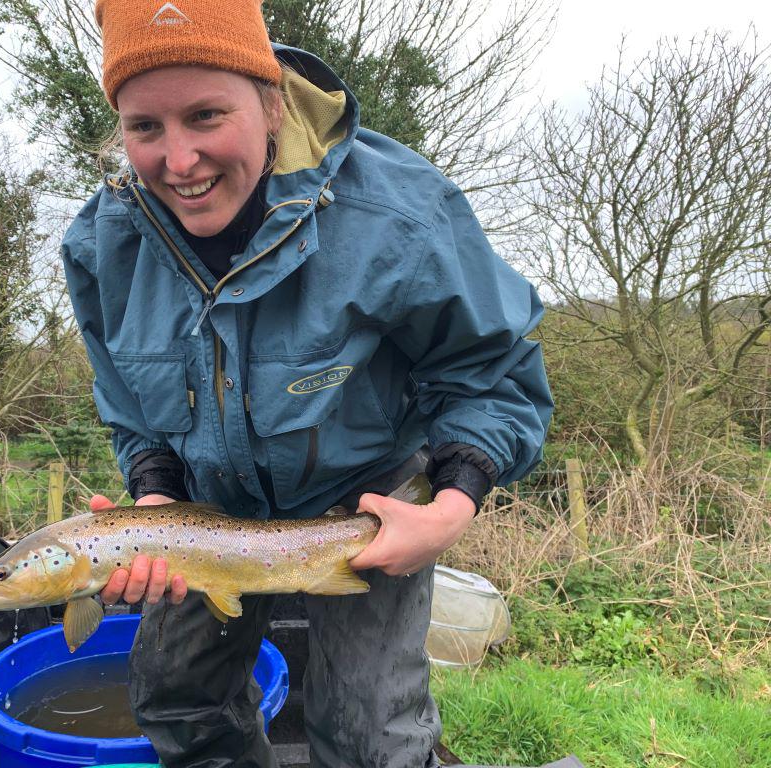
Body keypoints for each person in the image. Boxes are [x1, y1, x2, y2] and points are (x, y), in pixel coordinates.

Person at [61, 1, 552, 765]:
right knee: (174, 702)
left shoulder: (397, 213)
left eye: (206, 115)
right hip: (207, 506)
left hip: (369, 498)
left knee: (370, 735)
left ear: (272, 102)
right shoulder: (102, 245)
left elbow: (491, 371)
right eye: (145, 127)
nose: (179, 161)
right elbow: (131, 409)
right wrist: (153, 493)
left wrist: (452, 504)